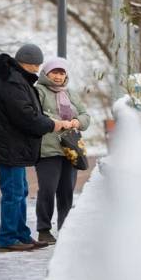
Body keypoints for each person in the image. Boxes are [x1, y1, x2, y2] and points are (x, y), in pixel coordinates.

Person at [0, 43, 71, 253]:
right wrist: (52, 124)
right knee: (13, 193)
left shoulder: (18, 79)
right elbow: (25, 116)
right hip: (9, 146)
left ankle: (21, 234)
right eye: (36, 65)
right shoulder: (13, 82)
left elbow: (29, 113)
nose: (37, 69)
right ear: (29, 63)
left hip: (15, 145)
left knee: (20, 191)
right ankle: (7, 238)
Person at [33, 56, 90, 244]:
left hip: (70, 149)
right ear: (46, 73)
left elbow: (85, 115)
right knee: (47, 190)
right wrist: (58, 121)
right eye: (54, 72)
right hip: (48, 149)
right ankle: (44, 229)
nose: (58, 76)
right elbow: (36, 115)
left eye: (61, 72)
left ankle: (65, 228)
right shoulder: (38, 90)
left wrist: (77, 122)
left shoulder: (71, 93)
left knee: (66, 191)